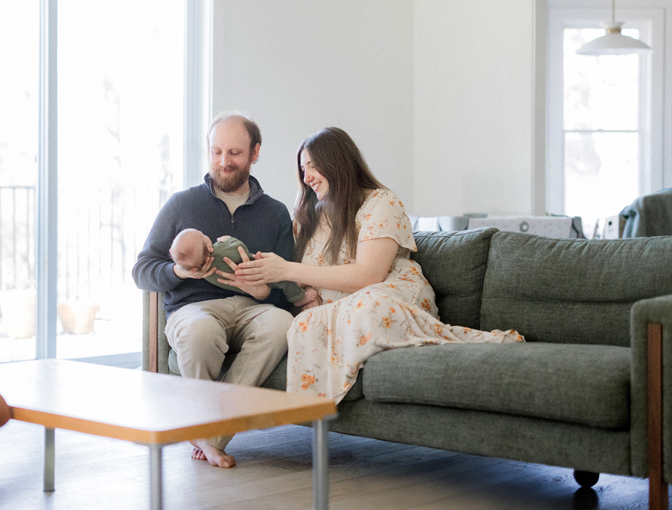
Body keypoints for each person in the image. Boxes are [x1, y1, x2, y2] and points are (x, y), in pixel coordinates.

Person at [227, 127, 524, 403]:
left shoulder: (381, 203)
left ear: (338, 163)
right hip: (339, 309)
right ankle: (308, 416)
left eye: (314, 166)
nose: (307, 177)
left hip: (387, 294)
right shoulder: (308, 219)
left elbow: (369, 275)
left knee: (367, 305)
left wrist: (288, 271)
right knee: (305, 323)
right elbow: (294, 283)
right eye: (303, 170)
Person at [132, 112, 295, 468]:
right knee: (200, 330)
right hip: (195, 310)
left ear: (255, 153)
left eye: (234, 153)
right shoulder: (181, 204)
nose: (224, 162)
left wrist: (264, 291)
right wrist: (181, 271)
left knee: (282, 324)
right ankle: (211, 438)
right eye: (216, 151)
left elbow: (288, 287)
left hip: (254, 308)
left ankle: (209, 435)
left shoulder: (276, 213)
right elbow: (142, 270)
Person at [169, 228, 319, 308]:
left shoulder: (205, 272)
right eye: (202, 234)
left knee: (284, 281)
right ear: (209, 247)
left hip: (252, 289)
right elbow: (240, 248)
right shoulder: (219, 251)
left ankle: (297, 286)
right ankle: (298, 298)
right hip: (258, 271)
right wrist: (228, 239)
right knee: (283, 279)